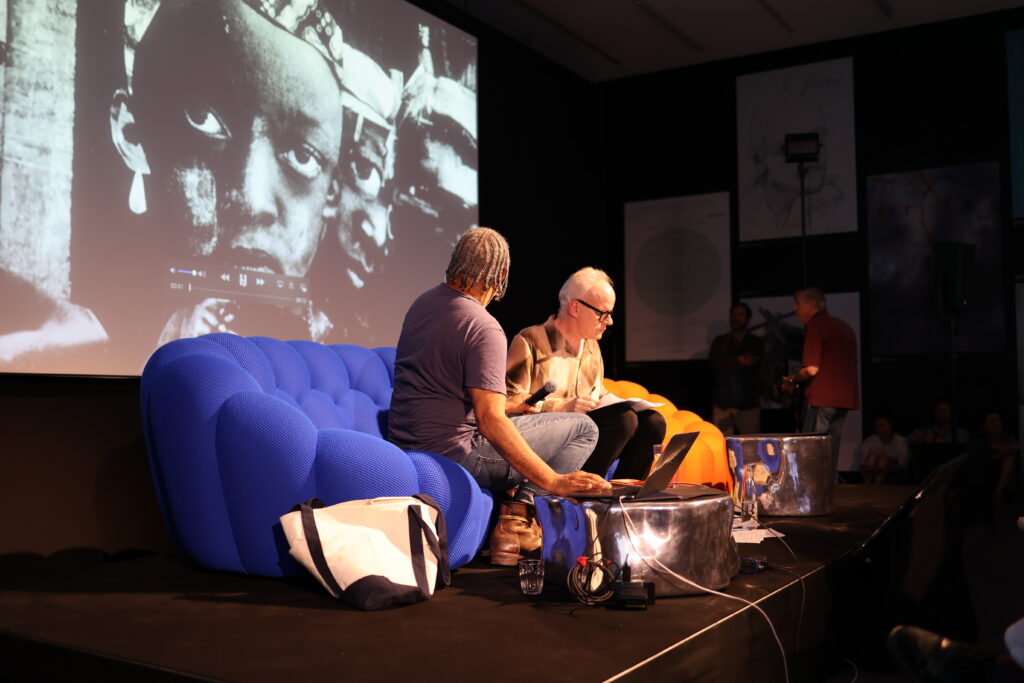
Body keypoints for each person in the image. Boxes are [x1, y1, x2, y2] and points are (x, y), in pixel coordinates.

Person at [108, 0, 347, 349]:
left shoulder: (338, 355)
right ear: (133, 133)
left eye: (302, 156)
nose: (252, 200)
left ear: (331, 195)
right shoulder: (75, 340)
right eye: (204, 120)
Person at [387, 228, 609, 565]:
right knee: (584, 429)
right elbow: (490, 421)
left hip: (406, 445)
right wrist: (554, 481)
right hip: (458, 455)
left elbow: (444, 389)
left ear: (456, 261)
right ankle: (516, 520)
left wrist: (509, 404)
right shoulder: (484, 326)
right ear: (501, 276)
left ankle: (515, 523)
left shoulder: (422, 304)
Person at [506, 268, 666, 481]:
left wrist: (618, 402)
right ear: (575, 308)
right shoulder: (530, 341)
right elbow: (507, 406)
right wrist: (562, 407)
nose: (609, 322)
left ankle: (624, 493)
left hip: (583, 434)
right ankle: (582, 493)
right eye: (603, 313)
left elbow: (597, 394)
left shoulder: (591, 345)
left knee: (653, 422)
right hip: (544, 441)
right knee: (622, 420)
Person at [782, 287, 859, 472]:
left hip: (821, 399)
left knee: (812, 452)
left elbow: (811, 369)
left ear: (812, 304)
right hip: (844, 399)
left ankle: (812, 490)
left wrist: (792, 380)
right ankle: (830, 488)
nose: (794, 309)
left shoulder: (816, 325)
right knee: (830, 452)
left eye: (798, 304)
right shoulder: (844, 326)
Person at [708, 302, 763, 435]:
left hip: (747, 404)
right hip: (722, 404)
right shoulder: (720, 342)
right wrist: (738, 360)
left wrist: (730, 361)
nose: (735, 318)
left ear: (748, 319)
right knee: (721, 443)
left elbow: (754, 364)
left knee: (751, 443)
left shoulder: (755, 342)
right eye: (733, 314)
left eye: (740, 315)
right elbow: (714, 362)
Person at [856, 412, 909, 485]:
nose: (879, 428)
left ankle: (876, 486)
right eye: (877, 425)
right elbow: (862, 461)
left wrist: (884, 466)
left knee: (882, 460)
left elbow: (902, 464)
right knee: (873, 455)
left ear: (891, 425)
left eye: (882, 425)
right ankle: (867, 485)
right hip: (871, 471)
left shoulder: (901, 441)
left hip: (892, 473)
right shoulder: (871, 440)